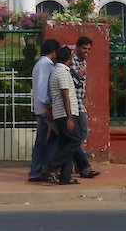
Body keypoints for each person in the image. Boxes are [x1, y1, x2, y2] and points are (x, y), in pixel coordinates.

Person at [48, 45, 83, 185]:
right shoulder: (62, 72)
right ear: (69, 58)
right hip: (65, 114)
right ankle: (53, 165)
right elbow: (65, 96)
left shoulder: (60, 71)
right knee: (76, 140)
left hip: (61, 113)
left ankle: (65, 177)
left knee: (66, 143)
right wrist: (69, 118)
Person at [28, 38, 61, 183]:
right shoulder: (46, 65)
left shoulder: (39, 64)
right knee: (61, 136)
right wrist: (49, 108)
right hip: (45, 109)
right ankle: (44, 167)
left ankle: (37, 169)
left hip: (41, 108)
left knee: (43, 139)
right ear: (53, 52)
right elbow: (42, 90)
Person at [70, 36, 101, 179]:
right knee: (77, 137)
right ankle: (83, 167)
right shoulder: (73, 61)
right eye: (84, 48)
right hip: (73, 104)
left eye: (88, 49)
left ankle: (78, 166)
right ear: (77, 47)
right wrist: (80, 75)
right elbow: (74, 81)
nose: (86, 51)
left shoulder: (83, 62)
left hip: (80, 103)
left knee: (80, 135)